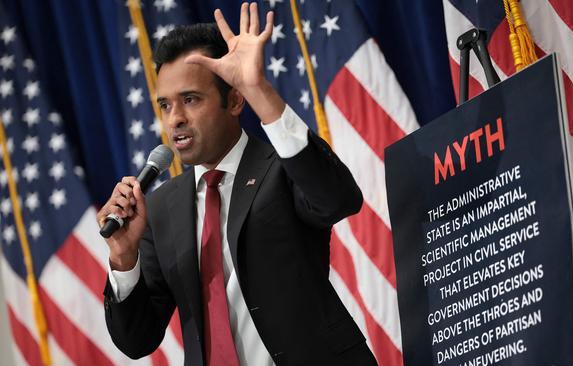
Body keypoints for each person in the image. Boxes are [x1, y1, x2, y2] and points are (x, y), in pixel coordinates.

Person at [97, 3, 377, 366]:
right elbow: (137, 340)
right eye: (165, 106)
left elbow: (338, 200)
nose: (175, 119)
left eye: (191, 100)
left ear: (234, 99)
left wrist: (258, 88)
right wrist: (122, 255)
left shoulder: (282, 168)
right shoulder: (161, 209)